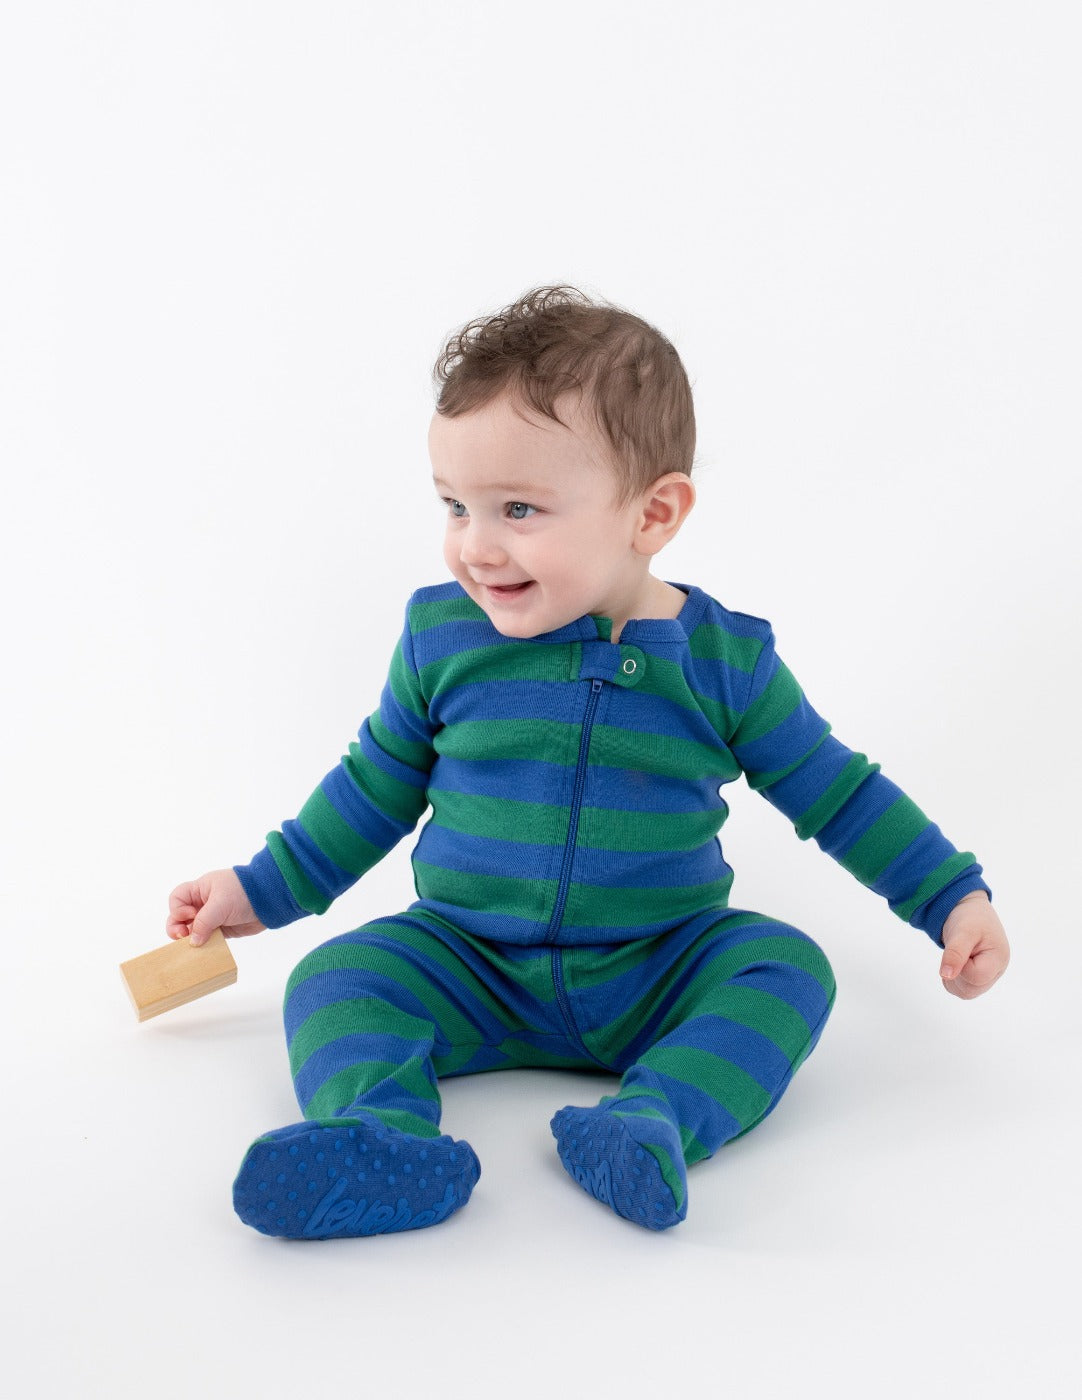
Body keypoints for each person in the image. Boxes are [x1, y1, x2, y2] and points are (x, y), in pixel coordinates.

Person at [167, 285, 1010, 1240]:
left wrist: (950, 897)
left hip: (658, 964)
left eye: (518, 509)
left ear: (654, 513)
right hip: (467, 957)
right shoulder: (443, 639)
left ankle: (649, 1121)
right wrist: (259, 890)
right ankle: (382, 1137)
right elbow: (372, 787)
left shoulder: (724, 664)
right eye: (455, 506)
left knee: (787, 969)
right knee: (336, 979)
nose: (476, 547)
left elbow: (840, 794)